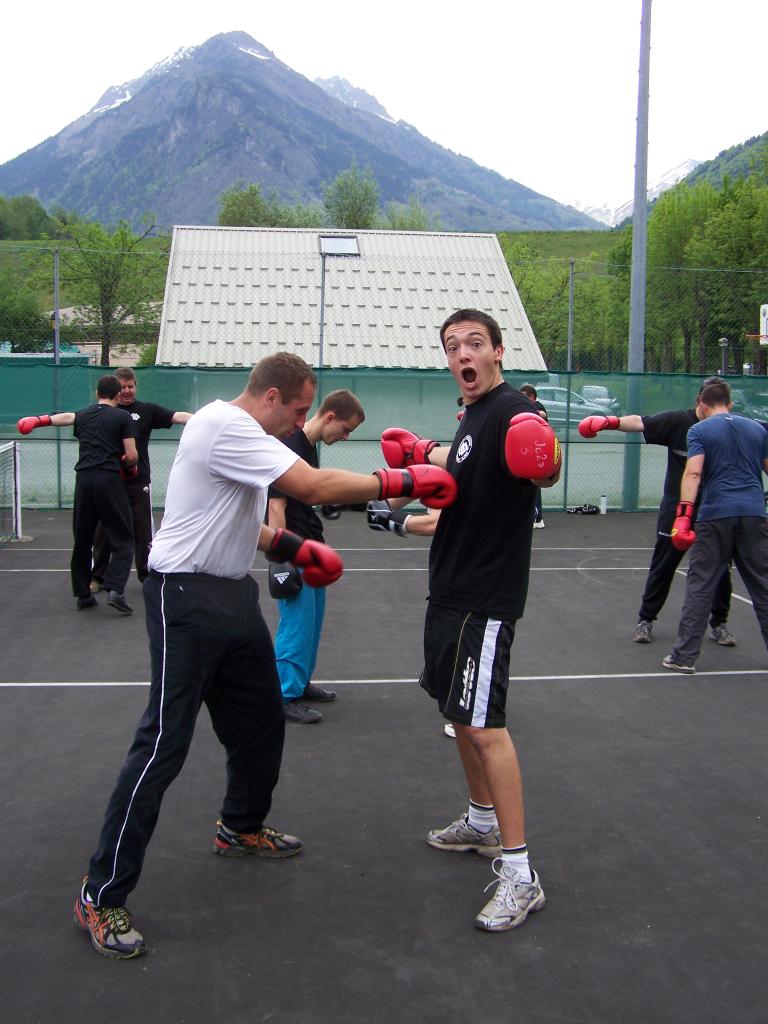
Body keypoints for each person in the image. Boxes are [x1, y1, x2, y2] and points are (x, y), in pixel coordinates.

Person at [72, 352, 457, 959]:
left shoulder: (243, 437)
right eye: (301, 409)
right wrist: (403, 480)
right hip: (183, 594)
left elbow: (238, 518)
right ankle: (100, 893)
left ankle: (240, 826)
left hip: (230, 593)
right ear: (272, 397)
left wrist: (292, 544)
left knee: (259, 724)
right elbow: (310, 485)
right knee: (163, 744)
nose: (303, 422)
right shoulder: (226, 425)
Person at [378, 308, 561, 933]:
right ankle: (482, 821)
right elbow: (461, 483)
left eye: (475, 343)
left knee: (485, 727)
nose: (464, 353)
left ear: (499, 352)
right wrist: (425, 452)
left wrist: (546, 458)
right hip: (450, 590)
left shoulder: (512, 411)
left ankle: (520, 874)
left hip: (485, 597)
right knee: (458, 716)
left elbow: (541, 459)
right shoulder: (470, 419)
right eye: (453, 345)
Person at [578, 377, 735, 646]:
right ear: (700, 402)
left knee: (721, 568)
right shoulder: (678, 422)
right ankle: (646, 619)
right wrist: (608, 422)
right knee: (664, 563)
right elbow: (641, 422)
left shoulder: (729, 428)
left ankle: (719, 623)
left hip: (714, 509)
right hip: (677, 508)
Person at [268, 389, 365, 724]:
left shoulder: (308, 448)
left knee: (311, 622)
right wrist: (280, 560)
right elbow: (275, 506)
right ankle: (283, 694)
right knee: (295, 623)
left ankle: (300, 682)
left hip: (312, 549)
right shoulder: (290, 446)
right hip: (294, 552)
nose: (346, 437)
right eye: (346, 429)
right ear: (330, 417)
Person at [662, 380, 768, 673]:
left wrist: (683, 515)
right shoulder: (757, 429)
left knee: (701, 583)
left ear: (703, 405)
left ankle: (684, 657)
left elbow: (694, 472)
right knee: (763, 585)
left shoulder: (699, 430)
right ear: (730, 404)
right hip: (753, 513)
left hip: (715, 515)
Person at [17, 375, 138, 614]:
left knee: (83, 539)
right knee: (123, 539)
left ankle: (83, 595)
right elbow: (132, 455)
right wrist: (128, 465)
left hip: (83, 480)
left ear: (97, 393)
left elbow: (67, 417)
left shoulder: (83, 414)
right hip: (108, 480)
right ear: (116, 395)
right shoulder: (123, 417)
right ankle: (115, 590)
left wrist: (40, 420)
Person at [91, 367, 192, 590]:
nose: (126, 391)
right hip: (109, 481)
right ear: (115, 390)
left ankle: (145, 574)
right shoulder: (103, 413)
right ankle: (97, 576)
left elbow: (177, 416)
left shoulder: (146, 410)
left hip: (138, 482)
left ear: (135, 386)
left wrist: (205, 420)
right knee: (104, 530)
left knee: (143, 529)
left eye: (130, 386)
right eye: (122, 387)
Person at [519, 384, 548, 528]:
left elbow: (542, 414)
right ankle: (533, 516)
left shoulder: (537, 406)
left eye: (524, 397)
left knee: (534, 485)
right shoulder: (527, 408)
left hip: (537, 454)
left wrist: (532, 412)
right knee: (527, 485)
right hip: (528, 453)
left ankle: (537, 517)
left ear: (532, 397)